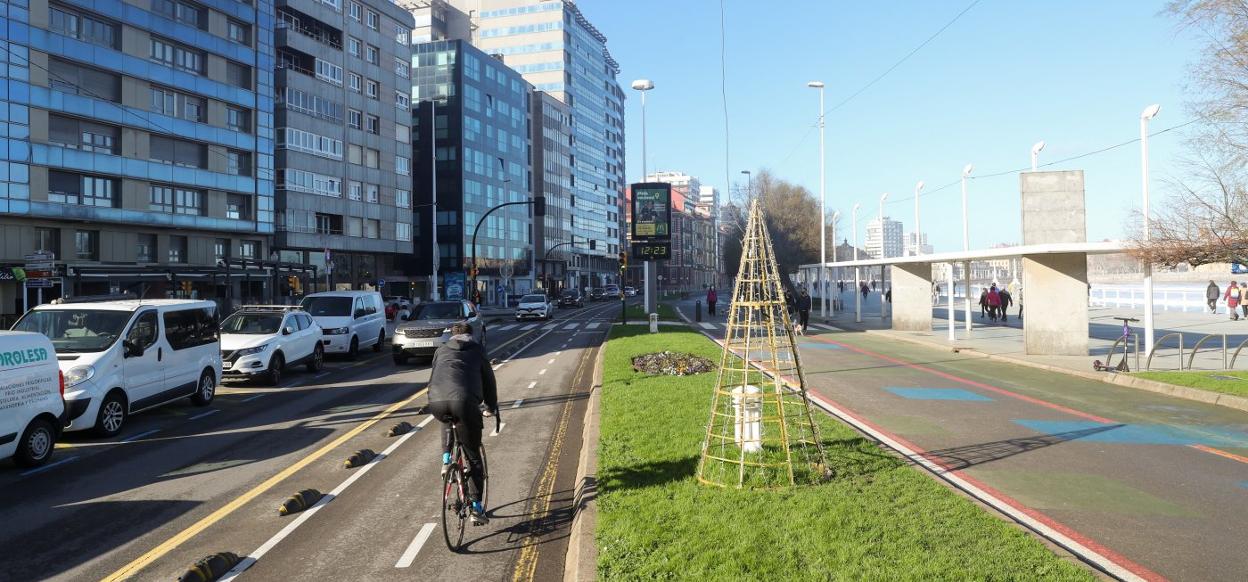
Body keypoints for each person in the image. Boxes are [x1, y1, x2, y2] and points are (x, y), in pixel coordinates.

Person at [427, 322, 498, 524]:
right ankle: (476, 508)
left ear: (452, 335)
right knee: (473, 457)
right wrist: (491, 407)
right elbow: (489, 382)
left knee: (447, 419)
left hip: (437, 400)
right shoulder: (476, 349)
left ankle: (447, 459)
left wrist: (432, 400)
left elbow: (434, 377)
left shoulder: (441, 350)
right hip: (465, 402)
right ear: (470, 335)